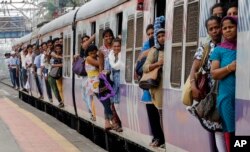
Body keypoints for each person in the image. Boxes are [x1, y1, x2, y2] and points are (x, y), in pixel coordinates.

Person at [189, 16, 226, 152]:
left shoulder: (229, 45)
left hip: (227, 92)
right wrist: (193, 86)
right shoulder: (204, 48)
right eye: (211, 29)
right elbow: (193, 68)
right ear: (208, 32)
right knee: (218, 129)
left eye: (217, 27)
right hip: (213, 95)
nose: (215, 31)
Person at [210, 16, 237, 152]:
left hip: (243, 99)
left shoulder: (244, 47)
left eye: (231, 27)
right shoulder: (218, 50)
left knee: (243, 132)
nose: (227, 30)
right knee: (232, 132)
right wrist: (229, 68)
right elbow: (214, 73)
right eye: (225, 28)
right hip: (226, 99)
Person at [143, 28, 165, 147]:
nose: (162, 38)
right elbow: (145, 67)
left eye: (164, 35)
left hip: (170, 86)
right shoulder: (154, 50)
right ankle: (163, 139)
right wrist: (158, 64)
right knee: (161, 114)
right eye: (160, 36)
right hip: (158, 88)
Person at [98, 28, 120, 130]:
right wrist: (102, 78)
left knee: (112, 99)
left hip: (116, 74)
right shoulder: (101, 49)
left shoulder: (116, 46)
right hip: (107, 76)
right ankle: (111, 121)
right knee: (107, 98)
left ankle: (111, 121)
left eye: (110, 35)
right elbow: (101, 65)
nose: (109, 37)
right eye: (106, 36)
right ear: (103, 38)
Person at [108, 38, 123, 132]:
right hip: (113, 84)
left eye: (118, 46)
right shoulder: (110, 57)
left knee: (121, 104)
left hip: (122, 83)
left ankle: (122, 124)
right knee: (116, 104)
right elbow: (107, 69)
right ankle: (119, 123)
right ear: (112, 47)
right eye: (115, 46)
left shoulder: (124, 56)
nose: (116, 48)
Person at [84, 44, 100, 121]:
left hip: (94, 79)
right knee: (94, 98)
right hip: (93, 80)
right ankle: (94, 114)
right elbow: (99, 64)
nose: (93, 55)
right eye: (91, 53)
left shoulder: (95, 57)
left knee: (94, 98)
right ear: (88, 53)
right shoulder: (88, 58)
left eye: (95, 53)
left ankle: (94, 114)